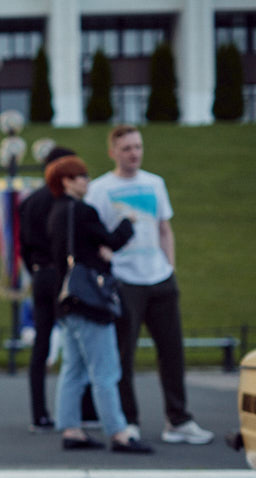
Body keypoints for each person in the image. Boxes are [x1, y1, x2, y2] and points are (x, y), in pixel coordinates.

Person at [85, 125, 214, 445]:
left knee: (172, 351)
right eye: (127, 148)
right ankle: (130, 422)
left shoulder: (155, 184)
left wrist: (169, 267)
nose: (134, 153)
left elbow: (164, 228)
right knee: (123, 356)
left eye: (138, 147)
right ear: (113, 152)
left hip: (160, 279)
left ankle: (179, 420)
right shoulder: (101, 189)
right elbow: (93, 235)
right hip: (125, 281)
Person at [45, 155, 151, 454]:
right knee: (106, 369)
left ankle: (71, 429)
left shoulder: (55, 212)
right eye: (81, 176)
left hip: (66, 299)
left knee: (73, 369)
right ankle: (118, 433)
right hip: (91, 300)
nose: (87, 181)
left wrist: (101, 247)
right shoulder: (83, 211)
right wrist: (127, 225)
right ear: (66, 181)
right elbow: (111, 242)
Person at [18, 145, 77, 431]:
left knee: (41, 345)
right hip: (64, 275)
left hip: (40, 275)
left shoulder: (29, 202)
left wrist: (36, 272)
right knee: (79, 340)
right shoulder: (65, 201)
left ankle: (39, 413)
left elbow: (23, 247)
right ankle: (83, 409)